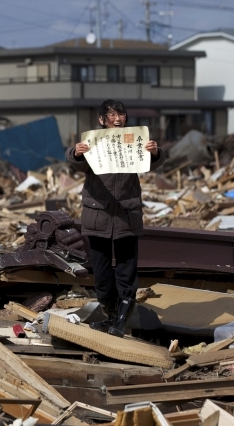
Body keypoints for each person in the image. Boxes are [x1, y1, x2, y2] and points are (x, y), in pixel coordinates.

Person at [65, 99, 166, 337]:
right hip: (97, 214)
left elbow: (154, 163)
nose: (118, 119)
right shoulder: (94, 143)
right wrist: (76, 153)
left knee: (126, 271)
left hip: (126, 215)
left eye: (121, 115)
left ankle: (121, 321)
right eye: (112, 116)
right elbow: (74, 163)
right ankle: (110, 315)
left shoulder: (134, 139)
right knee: (100, 272)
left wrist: (156, 152)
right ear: (102, 120)